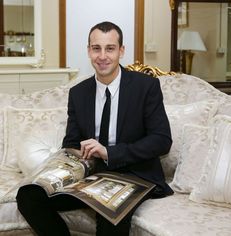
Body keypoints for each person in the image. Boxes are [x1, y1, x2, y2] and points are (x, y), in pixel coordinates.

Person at [16, 21, 173, 236]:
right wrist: (76, 156)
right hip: (91, 175)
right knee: (28, 197)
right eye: (96, 48)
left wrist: (109, 153)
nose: (102, 56)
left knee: (110, 215)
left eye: (110, 48)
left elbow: (162, 140)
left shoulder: (146, 86)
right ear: (89, 50)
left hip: (134, 175)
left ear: (121, 51)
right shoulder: (78, 93)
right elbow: (70, 142)